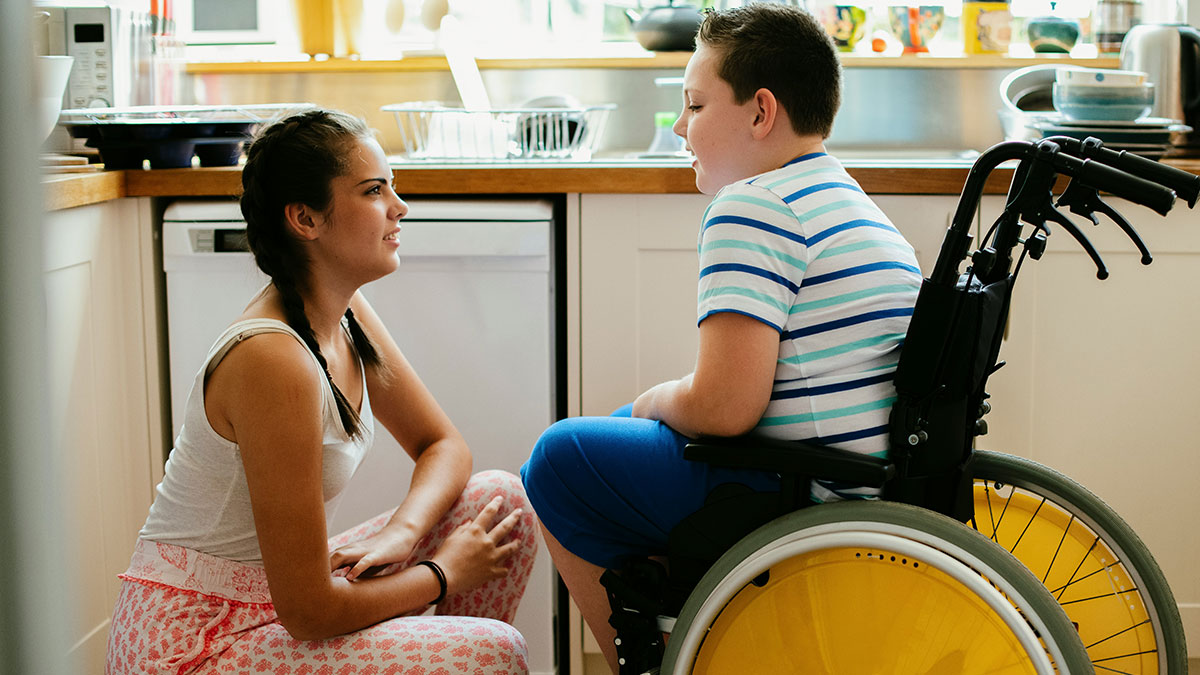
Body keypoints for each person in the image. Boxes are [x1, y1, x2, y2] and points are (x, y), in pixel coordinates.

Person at [520, 4, 922, 672]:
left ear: (761, 112)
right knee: (613, 438)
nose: (680, 127)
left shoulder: (753, 204)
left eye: (695, 105)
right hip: (857, 480)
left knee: (558, 458)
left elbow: (726, 407)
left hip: (798, 492)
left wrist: (656, 399)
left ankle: (647, 662)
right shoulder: (850, 201)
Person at [106, 108, 537, 675]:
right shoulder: (271, 358)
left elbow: (444, 445)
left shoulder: (346, 312)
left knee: (500, 501)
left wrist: (400, 537)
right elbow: (310, 612)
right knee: (494, 652)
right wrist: (439, 575)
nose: (398, 207)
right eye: (373, 190)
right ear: (306, 219)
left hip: (274, 604)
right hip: (197, 642)